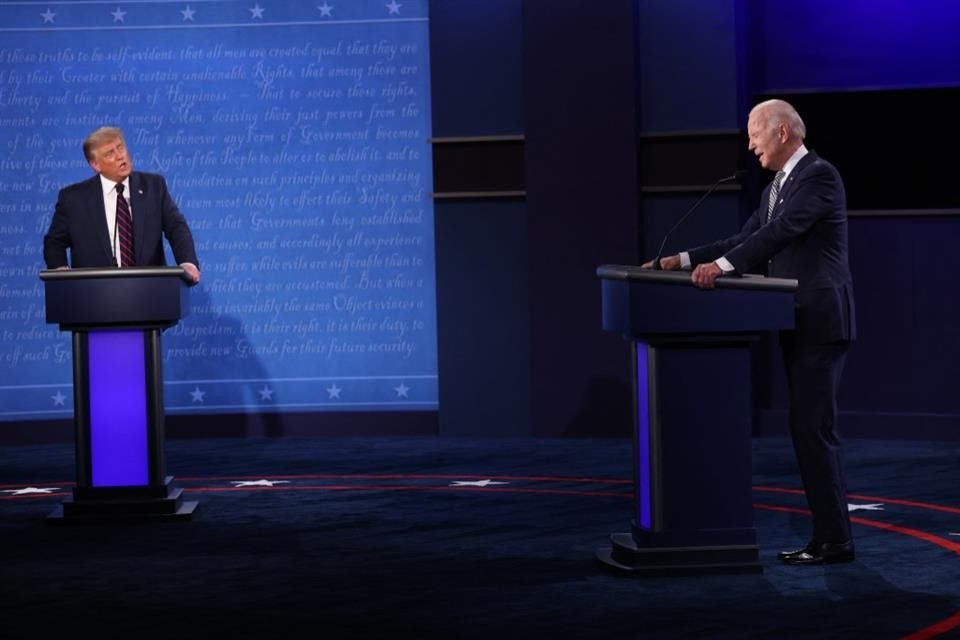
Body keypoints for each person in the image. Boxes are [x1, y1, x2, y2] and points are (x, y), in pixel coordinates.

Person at [644, 99, 856, 566]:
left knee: (813, 432)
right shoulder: (776, 187)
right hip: (796, 322)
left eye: (755, 133)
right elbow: (744, 240)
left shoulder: (819, 175)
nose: (750, 144)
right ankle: (829, 536)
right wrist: (677, 262)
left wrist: (719, 269)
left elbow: (781, 233)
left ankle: (836, 540)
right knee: (805, 431)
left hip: (820, 321)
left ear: (782, 132)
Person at [43, 126, 201, 284]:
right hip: (94, 295)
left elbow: (176, 227)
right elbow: (54, 242)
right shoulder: (74, 199)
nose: (120, 156)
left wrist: (187, 262)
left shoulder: (153, 187)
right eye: (110, 153)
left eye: (121, 148)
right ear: (95, 165)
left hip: (150, 292)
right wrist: (60, 272)